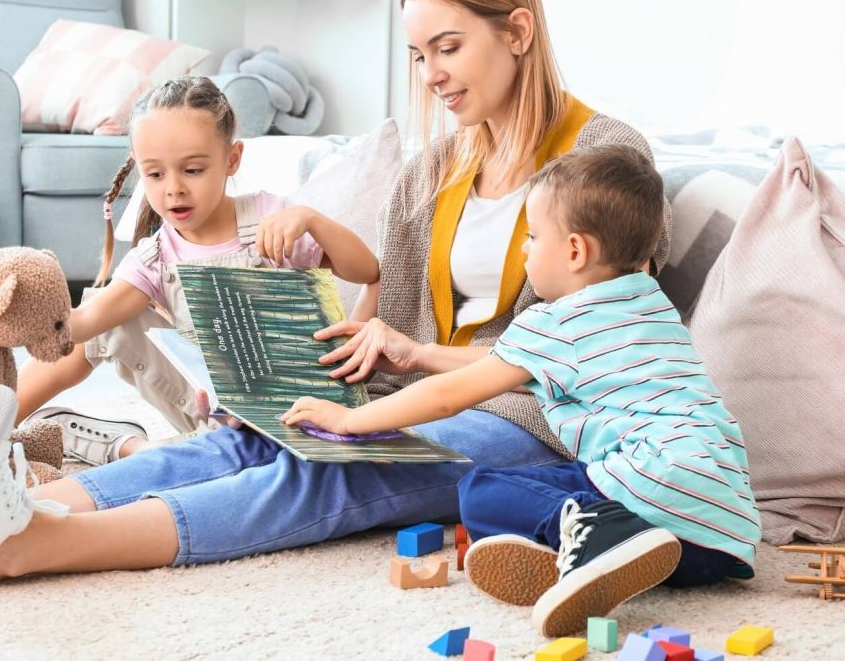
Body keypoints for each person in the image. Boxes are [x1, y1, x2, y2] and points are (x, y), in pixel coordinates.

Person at [0, 0, 674, 592]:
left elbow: (600, 341)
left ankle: (28, 544)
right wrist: (334, 355)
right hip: (416, 392)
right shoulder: (435, 168)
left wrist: (398, 377)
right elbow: (387, 313)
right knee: (245, 438)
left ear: (519, 31)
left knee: (322, 467)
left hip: (529, 421)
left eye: (449, 48)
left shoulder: (605, 157)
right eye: (418, 55)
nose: (430, 73)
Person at [282, 145, 760, 637]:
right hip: (718, 539)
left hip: (651, 493)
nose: (526, 248)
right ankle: (599, 553)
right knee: (569, 480)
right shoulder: (649, 306)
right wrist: (421, 354)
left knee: (482, 491)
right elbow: (504, 365)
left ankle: (593, 535)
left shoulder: (555, 322)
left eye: (533, 236)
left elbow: (449, 396)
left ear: (575, 251)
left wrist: (348, 420)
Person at [13, 76, 379, 466]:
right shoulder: (155, 256)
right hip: (213, 408)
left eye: (192, 170)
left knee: (208, 465)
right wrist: (30, 322)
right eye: (155, 175)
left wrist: (311, 220)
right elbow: (87, 323)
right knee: (112, 316)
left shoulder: (270, 219)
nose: (173, 189)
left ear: (231, 159)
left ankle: (124, 447)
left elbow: (366, 271)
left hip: (299, 402)